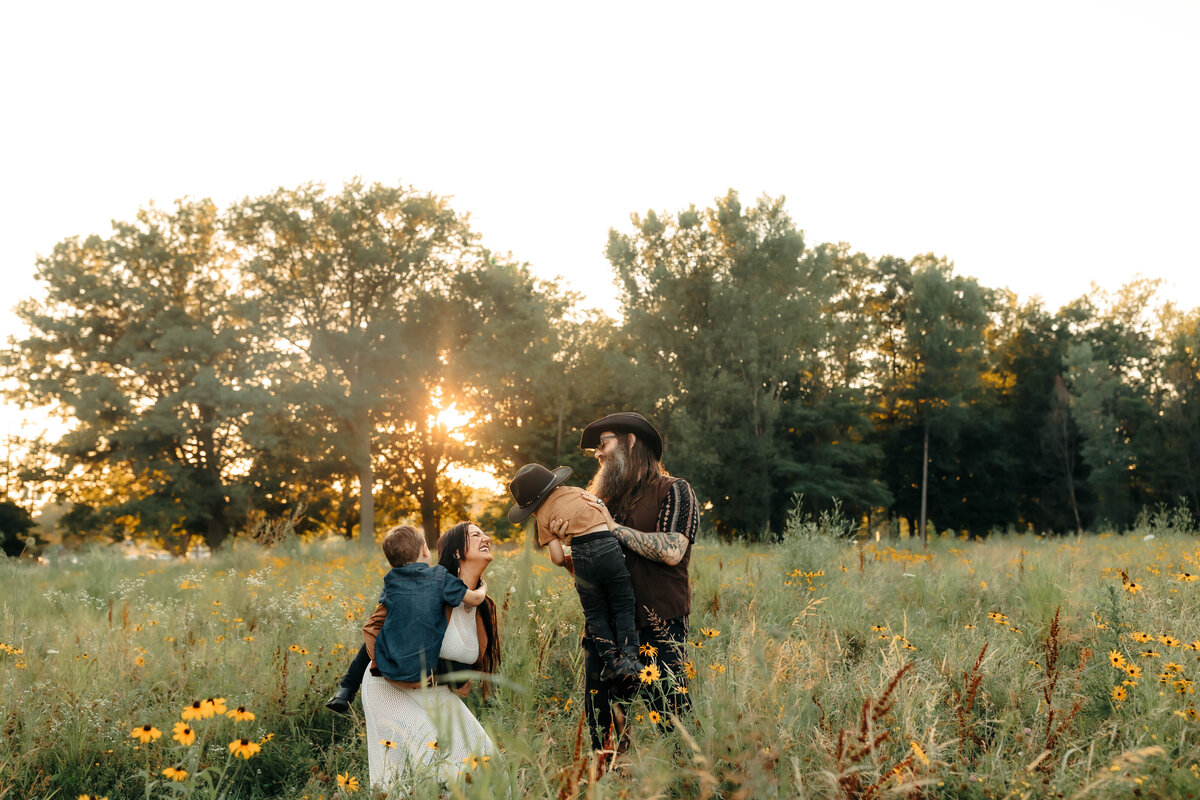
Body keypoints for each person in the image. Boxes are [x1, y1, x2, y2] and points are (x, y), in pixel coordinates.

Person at [553, 412, 699, 753]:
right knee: (602, 733)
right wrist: (566, 549)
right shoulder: (601, 501)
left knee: (673, 726)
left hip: (658, 629)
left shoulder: (674, 490)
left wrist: (613, 528)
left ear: (631, 441)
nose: (597, 454)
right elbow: (589, 576)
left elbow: (673, 550)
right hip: (605, 636)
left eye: (604, 444)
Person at [340, 523, 501, 790]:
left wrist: (458, 678)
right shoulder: (426, 589)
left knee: (487, 760)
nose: (487, 537)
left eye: (484, 532)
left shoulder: (483, 605)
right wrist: (354, 683)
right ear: (459, 553)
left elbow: (465, 659)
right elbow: (374, 633)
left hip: (433, 690)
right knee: (428, 769)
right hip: (389, 686)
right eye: (476, 535)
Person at [507, 463, 642, 681]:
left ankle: (611, 663)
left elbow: (558, 558)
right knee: (623, 604)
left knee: (595, 613)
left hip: (580, 555)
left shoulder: (542, 516)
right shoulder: (579, 492)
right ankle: (630, 660)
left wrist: (567, 545)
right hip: (608, 546)